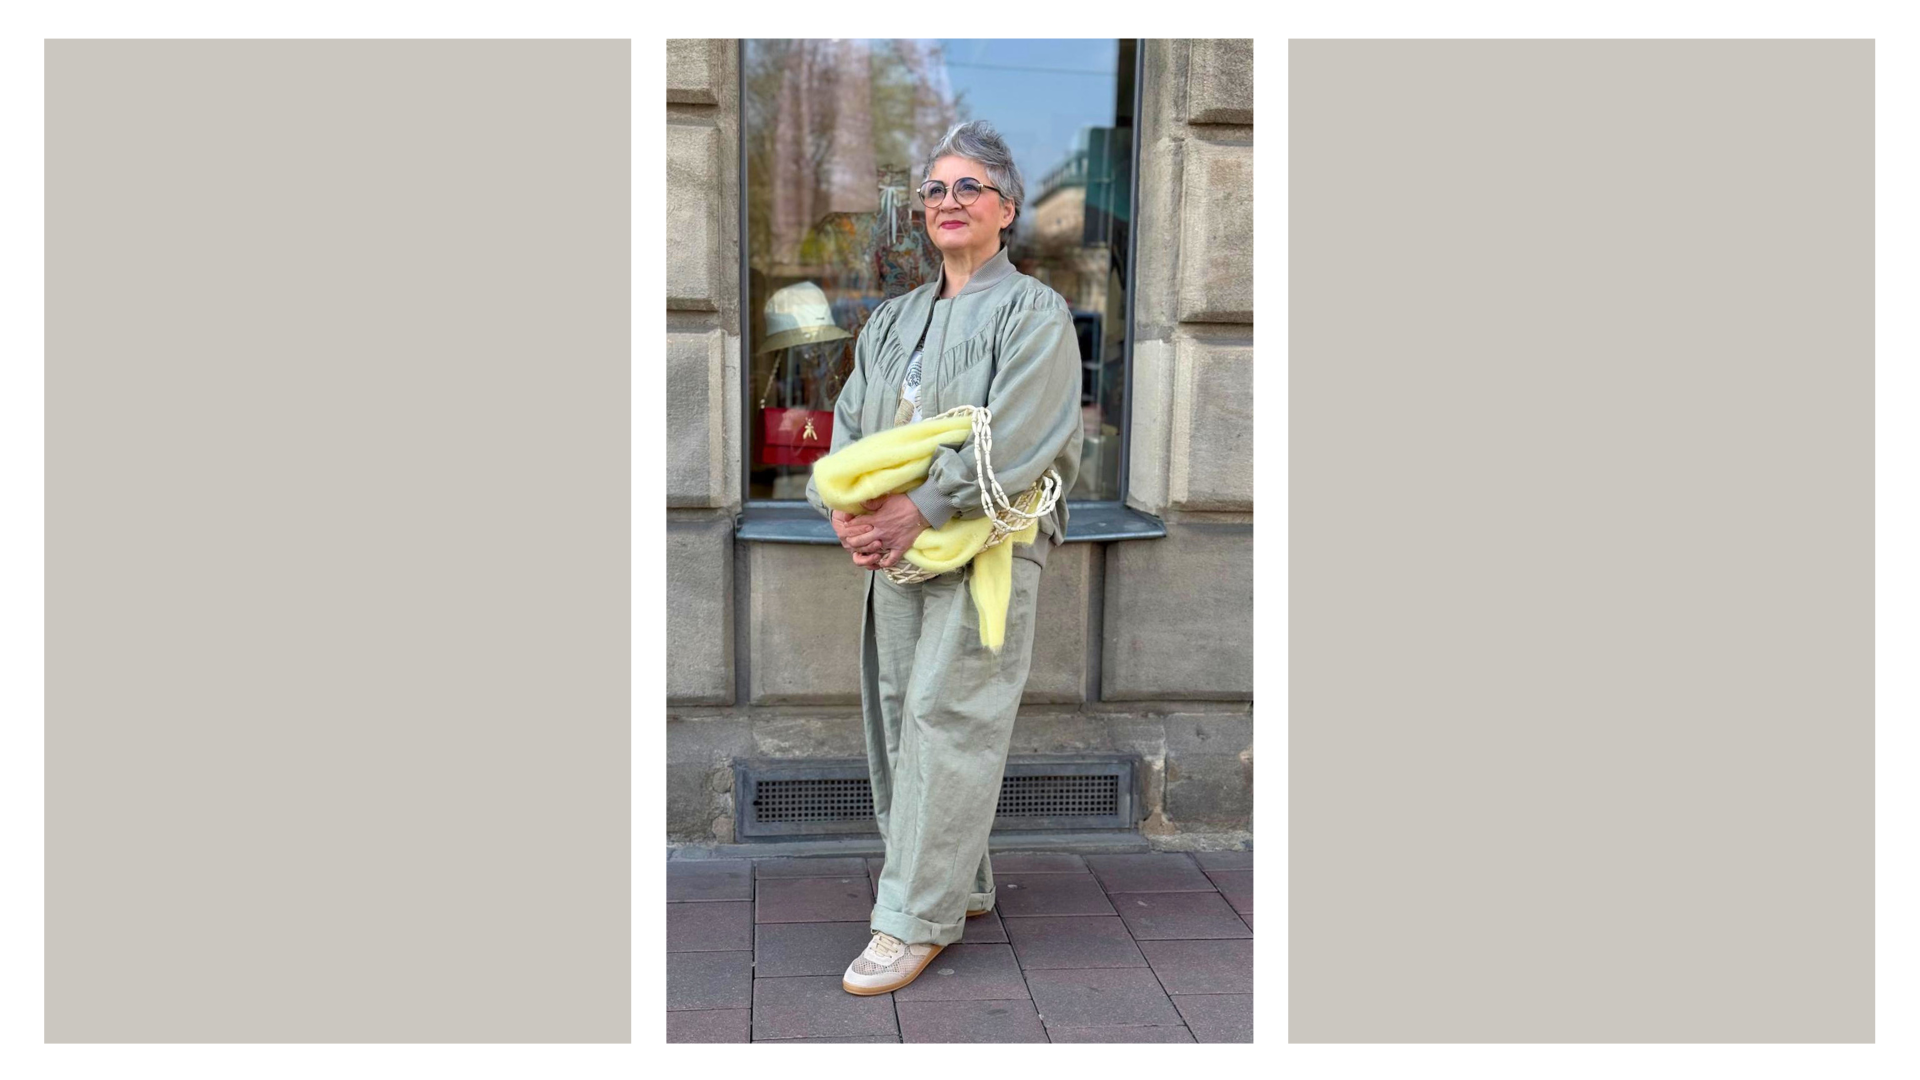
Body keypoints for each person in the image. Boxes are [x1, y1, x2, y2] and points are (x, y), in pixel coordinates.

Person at [803, 119, 1083, 996]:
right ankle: (957, 886)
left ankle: (910, 921)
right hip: (895, 549)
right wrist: (847, 509)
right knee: (900, 716)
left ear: (1008, 207)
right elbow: (852, 428)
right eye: (934, 189)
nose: (948, 201)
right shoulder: (893, 320)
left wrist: (920, 505)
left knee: (948, 717)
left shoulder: (1034, 313)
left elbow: (1025, 438)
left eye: (969, 187)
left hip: (989, 548)